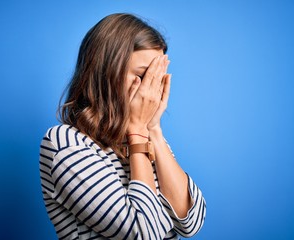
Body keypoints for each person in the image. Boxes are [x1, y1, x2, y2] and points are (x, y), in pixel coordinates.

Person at [39, 13, 206, 240]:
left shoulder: (143, 137)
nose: (151, 88)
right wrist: (138, 129)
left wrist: (153, 129)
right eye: (143, 75)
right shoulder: (65, 144)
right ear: (107, 71)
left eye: (157, 77)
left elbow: (191, 222)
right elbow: (144, 234)